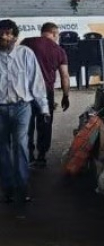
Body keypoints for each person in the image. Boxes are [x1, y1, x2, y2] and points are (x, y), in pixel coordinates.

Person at [0, 19, 49, 204]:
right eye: (1, 33)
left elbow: (36, 83)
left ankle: (22, 186)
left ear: (15, 36)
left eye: (7, 33)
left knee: (20, 145)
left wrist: (44, 108)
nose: (4, 37)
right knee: (2, 148)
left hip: (22, 107)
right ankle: (8, 188)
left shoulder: (26, 54)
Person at [21, 22, 70, 168]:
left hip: (25, 92)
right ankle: (41, 157)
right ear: (55, 34)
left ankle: (29, 156)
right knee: (45, 124)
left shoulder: (27, 42)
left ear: (42, 32)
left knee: (27, 125)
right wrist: (65, 95)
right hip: (45, 92)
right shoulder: (59, 50)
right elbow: (65, 76)